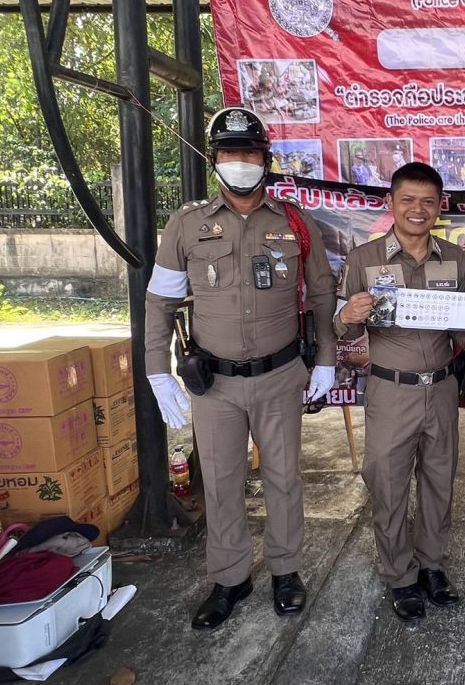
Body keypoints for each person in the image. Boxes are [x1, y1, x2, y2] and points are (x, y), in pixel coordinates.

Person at [144, 107, 338, 630]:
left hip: (280, 376)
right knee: (222, 480)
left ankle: (286, 571)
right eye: (230, 153)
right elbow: (161, 301)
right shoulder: (187, 223)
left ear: (265, 160)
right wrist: (157, 369)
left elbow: (322, 295)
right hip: (216, 384)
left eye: (249, 153)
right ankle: (229, 577)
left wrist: (325, 360)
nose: (240, 162)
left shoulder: (294, 223)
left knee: (284, 478)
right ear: (215, 160)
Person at [334, 162, 465, 623]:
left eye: (428, 201)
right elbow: (341, 328)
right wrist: (347, 316)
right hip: (390, 391)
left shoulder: (454, 258)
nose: (417, 209)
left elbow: (460, 325)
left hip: (441, 389)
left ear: (440, 207)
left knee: (439, 481)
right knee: (387, 483)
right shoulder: (363, 259)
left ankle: (432, 565)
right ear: (391, 203)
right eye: (408, 200)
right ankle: (399, 574)